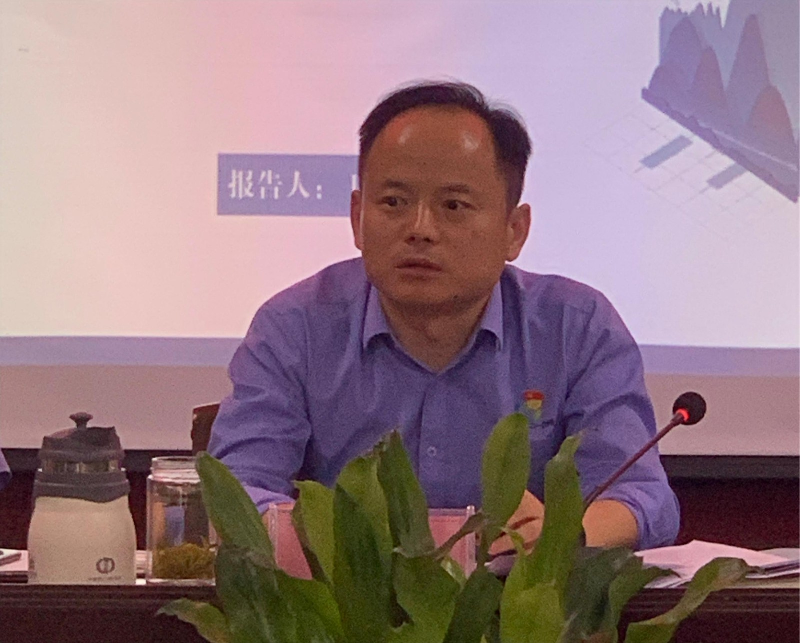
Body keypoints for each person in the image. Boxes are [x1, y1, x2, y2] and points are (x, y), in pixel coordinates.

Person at [209, 81, 679, 551]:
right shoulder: (295, 328)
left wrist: (560, 536)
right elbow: (236, 492)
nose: (420, 229)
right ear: (357, 217)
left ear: (514, 230)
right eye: (394, 202)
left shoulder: (576, 328)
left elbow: (640, 495)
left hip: (522, 591)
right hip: (343, 595)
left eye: (453, 206)